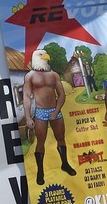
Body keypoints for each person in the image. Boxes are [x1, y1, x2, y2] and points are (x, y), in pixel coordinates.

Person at [21, 49, 75, 187]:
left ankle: (65, 164)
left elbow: (61, 94)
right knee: (40, 141)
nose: (45, 56)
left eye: (45, 54)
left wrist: (56, 111)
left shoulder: (54, 75)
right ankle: (40, 171)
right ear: (36, 57)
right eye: (41, 54)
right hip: (40, 112)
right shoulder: (30, 76)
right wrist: (28, 118)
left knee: (61, 138)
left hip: (54, 110)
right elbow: (26, 96)